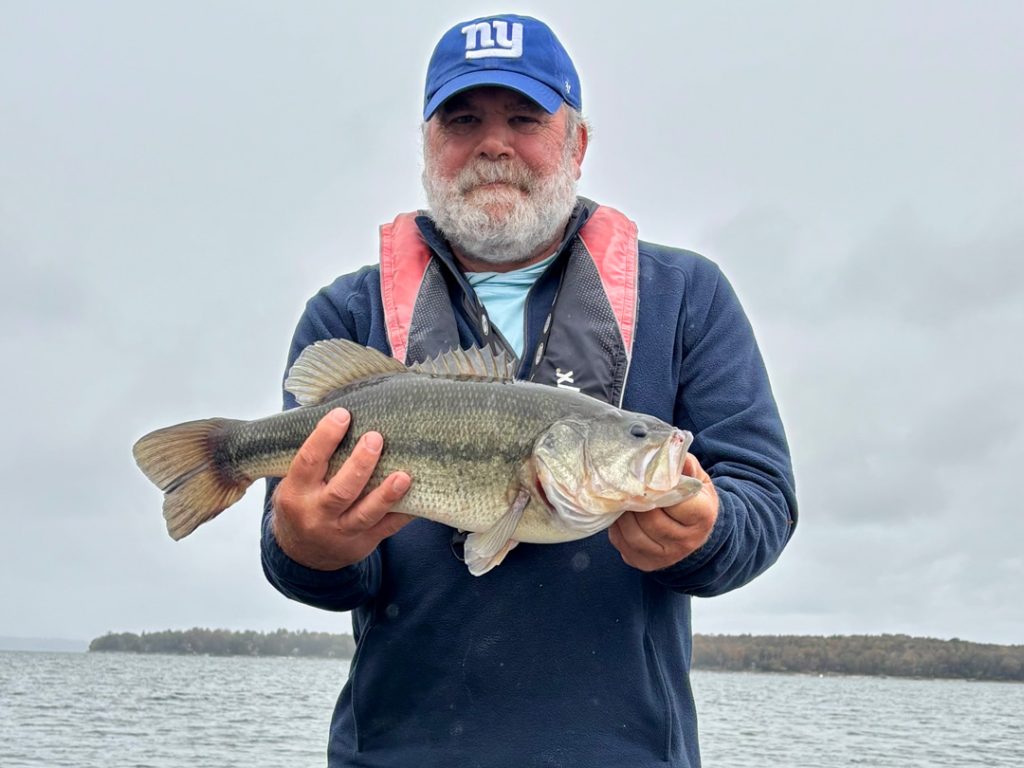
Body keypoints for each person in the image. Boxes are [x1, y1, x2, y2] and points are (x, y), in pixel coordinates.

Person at [262, 13, 797, 768]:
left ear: (577, 144)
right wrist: (309, 546)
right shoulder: (346, 315)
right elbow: (295, 552)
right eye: (463, 120)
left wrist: (705, 535)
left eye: (524, 118)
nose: (493, 143)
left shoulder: (688, 297)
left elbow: (763, 499)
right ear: (426, 147)